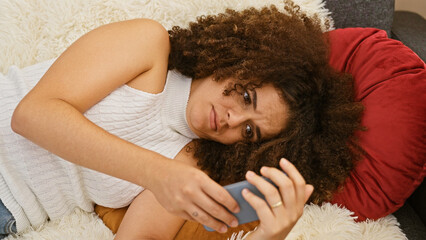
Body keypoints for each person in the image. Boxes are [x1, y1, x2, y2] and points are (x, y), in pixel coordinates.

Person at [0, 1, 363, 239]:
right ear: (240, 59)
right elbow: (33, 116)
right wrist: (158, 175)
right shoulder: (149, 45)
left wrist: (268, 238)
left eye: (250, 131)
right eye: (246, 95)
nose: (232, 120)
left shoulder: (189, 165)